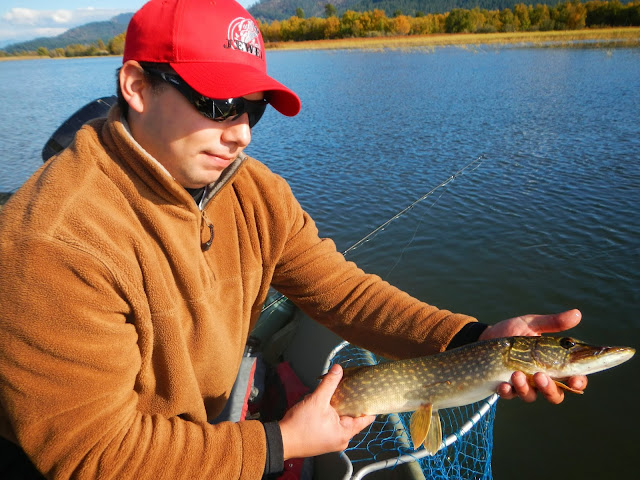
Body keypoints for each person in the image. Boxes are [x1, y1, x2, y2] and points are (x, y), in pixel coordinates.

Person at [0, 1, 587, 479]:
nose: (239, 136)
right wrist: (278, 444)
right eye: (218, 102)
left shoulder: (251, 191)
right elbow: (89, 453)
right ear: (137, 86)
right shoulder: (55, 242)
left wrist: (473, 339)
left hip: (205, 436)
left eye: (253, 110)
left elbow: (341, 293)